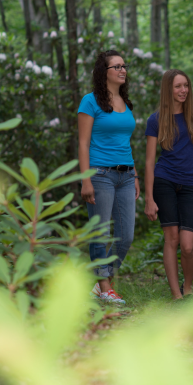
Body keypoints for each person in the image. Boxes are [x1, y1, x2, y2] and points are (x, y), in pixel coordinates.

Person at [78, 50, 139, 305]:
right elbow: (83, 144)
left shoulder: (125, 103)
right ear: (104, 73)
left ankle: (104, 281)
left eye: (124, 66)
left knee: (126, 236)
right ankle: (104, 287)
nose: (122, 70)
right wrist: (86, 180)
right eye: (117, 66)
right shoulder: (90, 102)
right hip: (100, 174)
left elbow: (125, 142)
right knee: (101, 233)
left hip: (126, 175)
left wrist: (134, 174)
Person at [144, 69, 193, 300]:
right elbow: (150, 160)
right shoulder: (156, 119)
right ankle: (176, 295)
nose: (183, 90)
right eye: (178, 86)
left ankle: (188, 287)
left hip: (189, 184)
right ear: (168, 90)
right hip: (165, 181)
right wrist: (149, 198)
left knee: (188, 245)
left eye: (186, 86)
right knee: (171, 238)